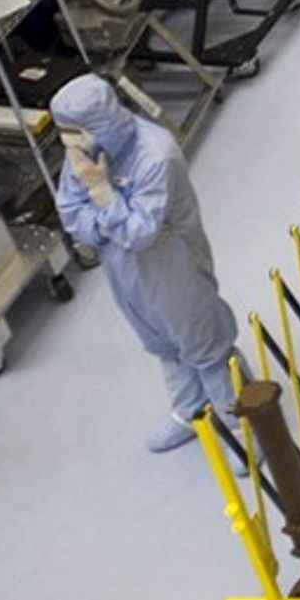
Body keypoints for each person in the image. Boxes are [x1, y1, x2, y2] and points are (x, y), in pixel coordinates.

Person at [49, 74, 238, 452]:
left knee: (203, 341)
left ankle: (239, 423)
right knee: (161, 341)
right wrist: (113, 220)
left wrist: (102, 194)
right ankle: (190, 410)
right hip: (125, 270)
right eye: (63, 133)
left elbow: (141, 234)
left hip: (174, 266)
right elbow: (71, 215)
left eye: (73, 132)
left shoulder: (155, 155)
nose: (68, 144)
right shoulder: (83, 153)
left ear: (97, 123)